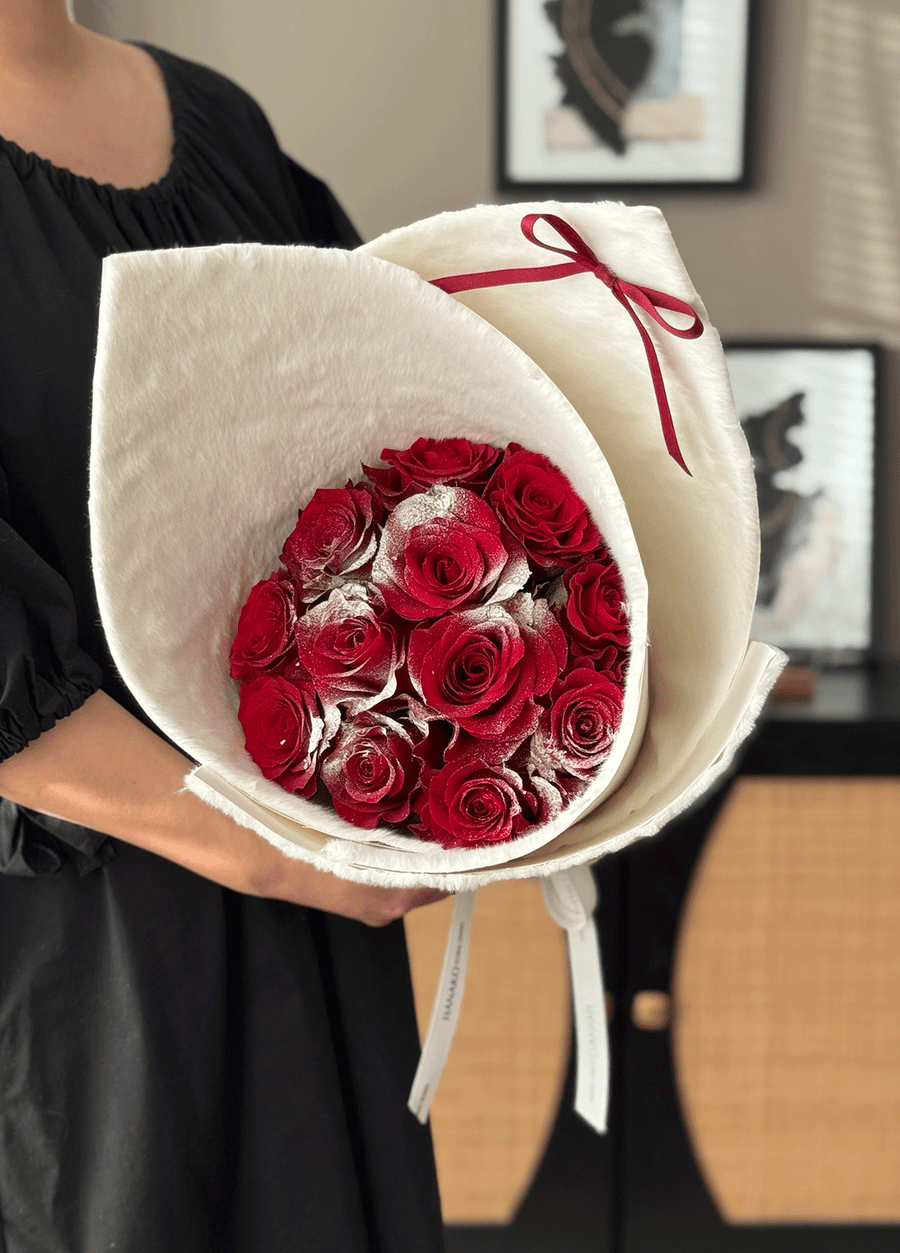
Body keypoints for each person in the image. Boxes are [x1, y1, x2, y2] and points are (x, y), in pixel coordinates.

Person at [0, 5, 446, 1250]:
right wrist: (274, 852)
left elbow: (380, 431)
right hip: (79, 948)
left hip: (309, 893)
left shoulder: (220, 125)